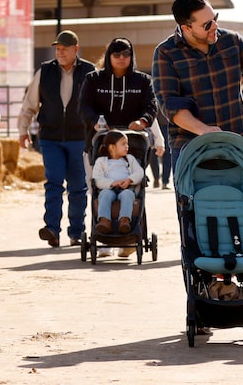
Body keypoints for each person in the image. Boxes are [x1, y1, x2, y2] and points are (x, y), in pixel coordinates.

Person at [151, 0, 243, 174]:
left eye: (215, 18)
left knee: (241, 201)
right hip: (189, 148)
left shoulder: (232, 41)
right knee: (193, 203)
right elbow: (170, 106)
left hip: (235, 146)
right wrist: (205, 131)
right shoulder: (166, 53)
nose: (215, 26)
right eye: (207, 25)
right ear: (186, 28)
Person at [18, 30, 95, 248]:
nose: (59, 52)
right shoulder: (45, 71)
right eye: (57, 49)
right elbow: (30, 104)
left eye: (64, 49)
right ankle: (52, 229)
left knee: (78, 187)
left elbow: (96, 104)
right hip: (50, 137)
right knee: (53, 183)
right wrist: (23, 130)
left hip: (79, 137)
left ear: (75, 49)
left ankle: (77, 232)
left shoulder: (89, 72)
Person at [78, 37, 157, 152]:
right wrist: (95, 121)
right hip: (100, 141)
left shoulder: (143, 80)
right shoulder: (93, 79)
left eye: (126, 54)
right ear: (109, 56)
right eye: (116, 54)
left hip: (134, 141)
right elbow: (84, 106)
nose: (121, 58)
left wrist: (142, 121)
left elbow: (151, 106)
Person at [92, 130, 145, 235]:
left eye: (127, 144)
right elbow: (97, 179)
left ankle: (124, 220)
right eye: (123, 144)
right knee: (105, 194)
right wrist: (112, 183)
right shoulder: (101, 161)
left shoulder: (130, 159)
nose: (127, 146)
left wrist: (129, 180)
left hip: (127, 188)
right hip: (108, 188)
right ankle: (105, 221)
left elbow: (139, 172)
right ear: (112, 147)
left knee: (128, 194)